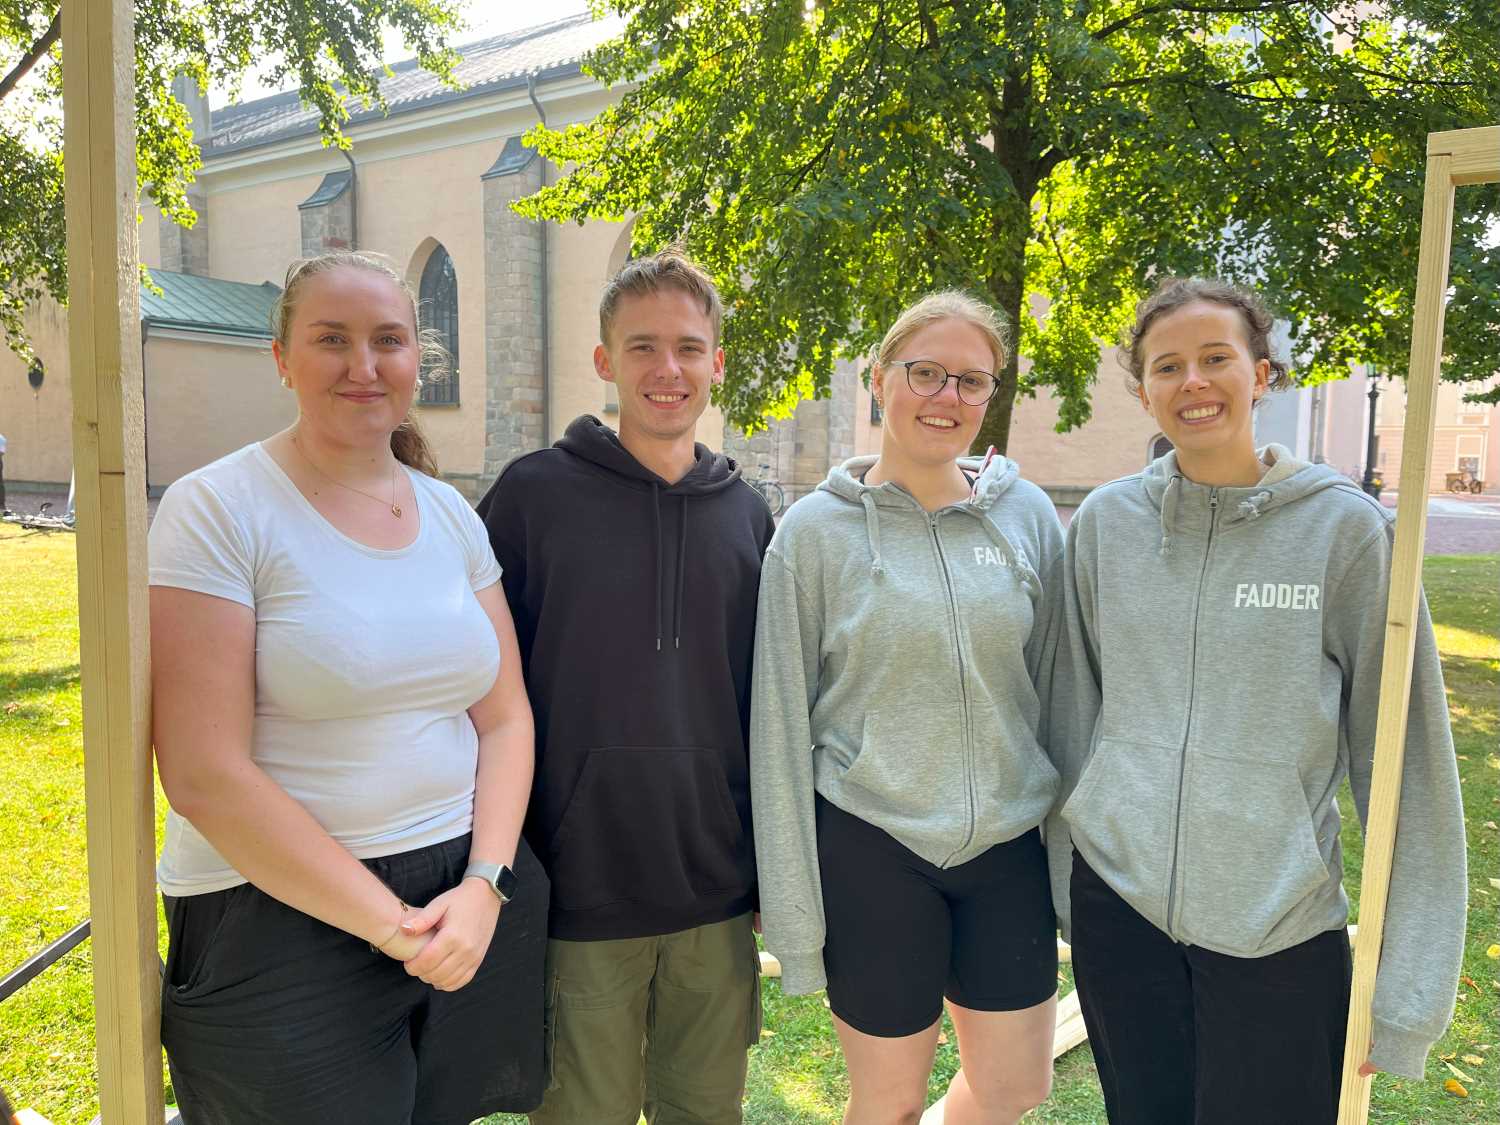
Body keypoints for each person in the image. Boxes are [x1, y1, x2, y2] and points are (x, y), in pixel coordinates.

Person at [1051, 277, 1467, 1124]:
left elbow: (1404, 763)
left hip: (1278, 922)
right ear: (1142, 391)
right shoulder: (1103, 526)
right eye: (1168, 366)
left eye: (1216, 358)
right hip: (1120, 915)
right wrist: (1070, 875)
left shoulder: (1345, 533)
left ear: (1262, 373)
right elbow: (1072, 712)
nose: (1193, 382)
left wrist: (1408, 990)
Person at [149, 251, 548, 1123]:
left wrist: (485, 883)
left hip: (459, 897)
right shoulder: (219, 508)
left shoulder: (446, 513)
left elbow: (506, 715)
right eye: (332, 339)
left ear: (417, 359)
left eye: (389, 340)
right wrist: (389, 922)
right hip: (277, 917)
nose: (364, 366)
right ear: (282, 357)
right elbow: (201, 770)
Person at [476, 248, 775, 1125]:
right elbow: (481, 697)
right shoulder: (531, 499)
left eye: (689, 347)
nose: (667, 369)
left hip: (713, 894)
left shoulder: (750, 516)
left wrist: (767, 872)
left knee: (705, 1112)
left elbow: (766, 704)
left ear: (718, 364)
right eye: (642, 347)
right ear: (604, 362)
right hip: (578, 889)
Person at [751, 292, 1065, 1125]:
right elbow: (778, 724)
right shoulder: (814, 535)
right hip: (873, 846)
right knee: (886, 1103)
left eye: (971, 380)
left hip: (1005, 846)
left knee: (1016, 1085)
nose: (947, 397)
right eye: (926, 373)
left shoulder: (1028, 518)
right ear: (880, 378)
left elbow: (1061, 693)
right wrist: (789, 902)